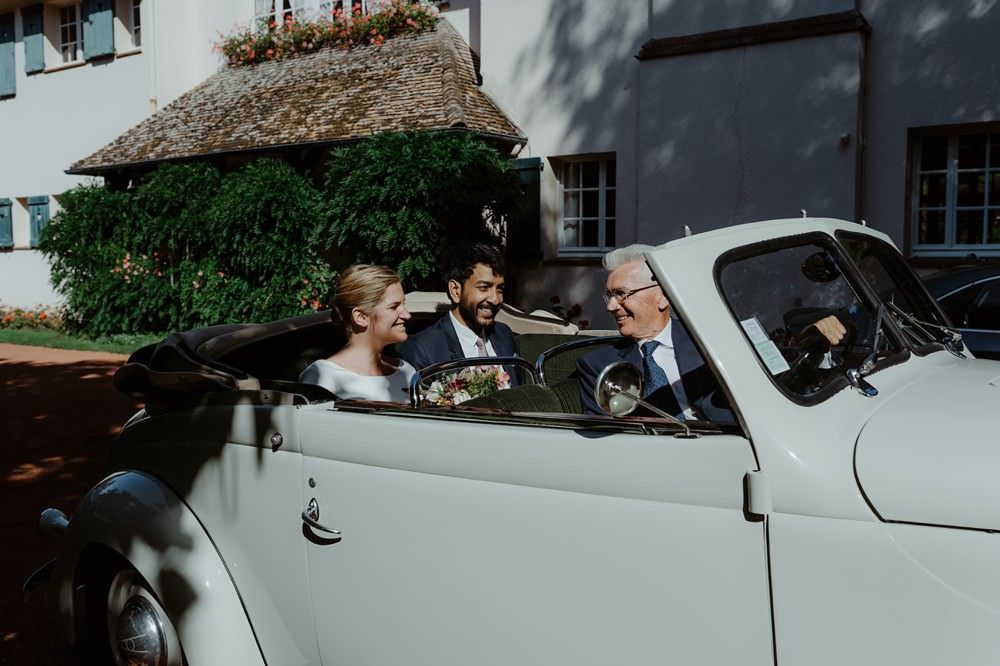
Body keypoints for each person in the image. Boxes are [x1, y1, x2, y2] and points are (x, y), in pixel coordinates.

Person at [577, 244, 845, 420]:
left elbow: (777, 377)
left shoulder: (715, 337)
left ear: (662, 297)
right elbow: (606, 442)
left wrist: (812, 343)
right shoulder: (597, 366)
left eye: (621, 294)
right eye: (609, 296)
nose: (612, 306)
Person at [299, 264, 416, 403]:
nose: (407, 315)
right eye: (394, 307)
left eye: (404, 304)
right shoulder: (323, 377)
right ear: (361, 317)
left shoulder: (406, 371)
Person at [400, 243, 518, 381]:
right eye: (484, 287)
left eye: (500, 289)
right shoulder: (424, 349)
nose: (495, 299)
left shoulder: (504, 334)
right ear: (455, 290)